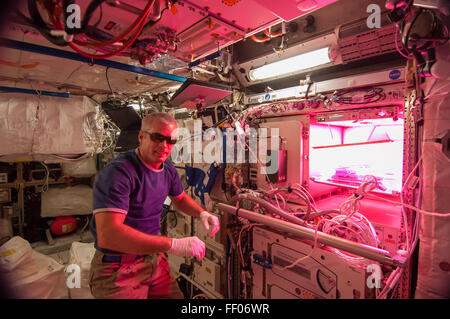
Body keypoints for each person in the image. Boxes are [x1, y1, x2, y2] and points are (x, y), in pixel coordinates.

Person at [88, 112, 220, 299]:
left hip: (153, 259)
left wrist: (202, 213)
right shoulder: (119, 173)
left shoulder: (167, 169)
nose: (164, 146)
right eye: (158, 137)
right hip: (119, 267)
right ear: (141, 137)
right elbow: (109, 235)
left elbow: (180, 197)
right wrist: (171, 244)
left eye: (170, 140)